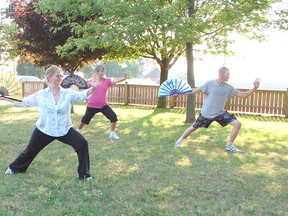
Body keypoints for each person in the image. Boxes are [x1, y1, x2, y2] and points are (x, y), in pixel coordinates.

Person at [1, 65, 99, 180]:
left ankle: (84, 175)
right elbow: (24, 102)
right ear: (49, 77)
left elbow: (82, 95)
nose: (60, 78)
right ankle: (14, 168)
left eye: (61, 76)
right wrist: (6, 98)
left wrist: (93, 88)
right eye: (57, 76)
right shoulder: (41, 95)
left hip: (64, 128)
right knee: (30, 150)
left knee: (82, 143)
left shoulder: (68, 94)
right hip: (45, 128)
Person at [175, 67, 260, 152]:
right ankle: (179, 141)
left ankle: (229, 146)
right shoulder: (210, 83)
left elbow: (244, 95)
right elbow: (194, 91)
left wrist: (255, 87)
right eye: (228, 74)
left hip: (220, 113)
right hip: (207, 113)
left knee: (237, 124)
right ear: (221, 74)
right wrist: (180, 92)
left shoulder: (229, 88)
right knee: (194, 127)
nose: (229, 76)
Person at [77, 65, 128, 140]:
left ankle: (112, 134)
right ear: (97, 72)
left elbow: (115, 80)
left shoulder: (107, 81)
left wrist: (124, 78)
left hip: (103, 105)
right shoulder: (92, 81)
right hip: (92, 105)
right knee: (85, 119)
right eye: (101, 71)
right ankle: (77, 131)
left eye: (103, 71)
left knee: (113, 117)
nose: (103, 73)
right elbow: (84, 89)